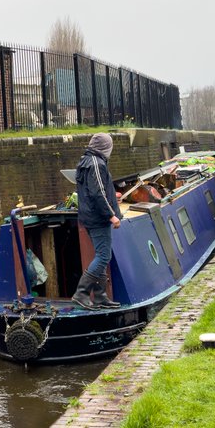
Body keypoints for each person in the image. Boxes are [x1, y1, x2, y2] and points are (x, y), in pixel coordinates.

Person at [72, 132, 122, 310]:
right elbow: (97, 192)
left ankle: (100, 297)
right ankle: (81, 293)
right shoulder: (96, 164)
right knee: (103, 256)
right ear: (105, 147)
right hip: (99, 218)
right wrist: (112, 215)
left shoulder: (86, 160)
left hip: (89, 216)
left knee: (101, 255)